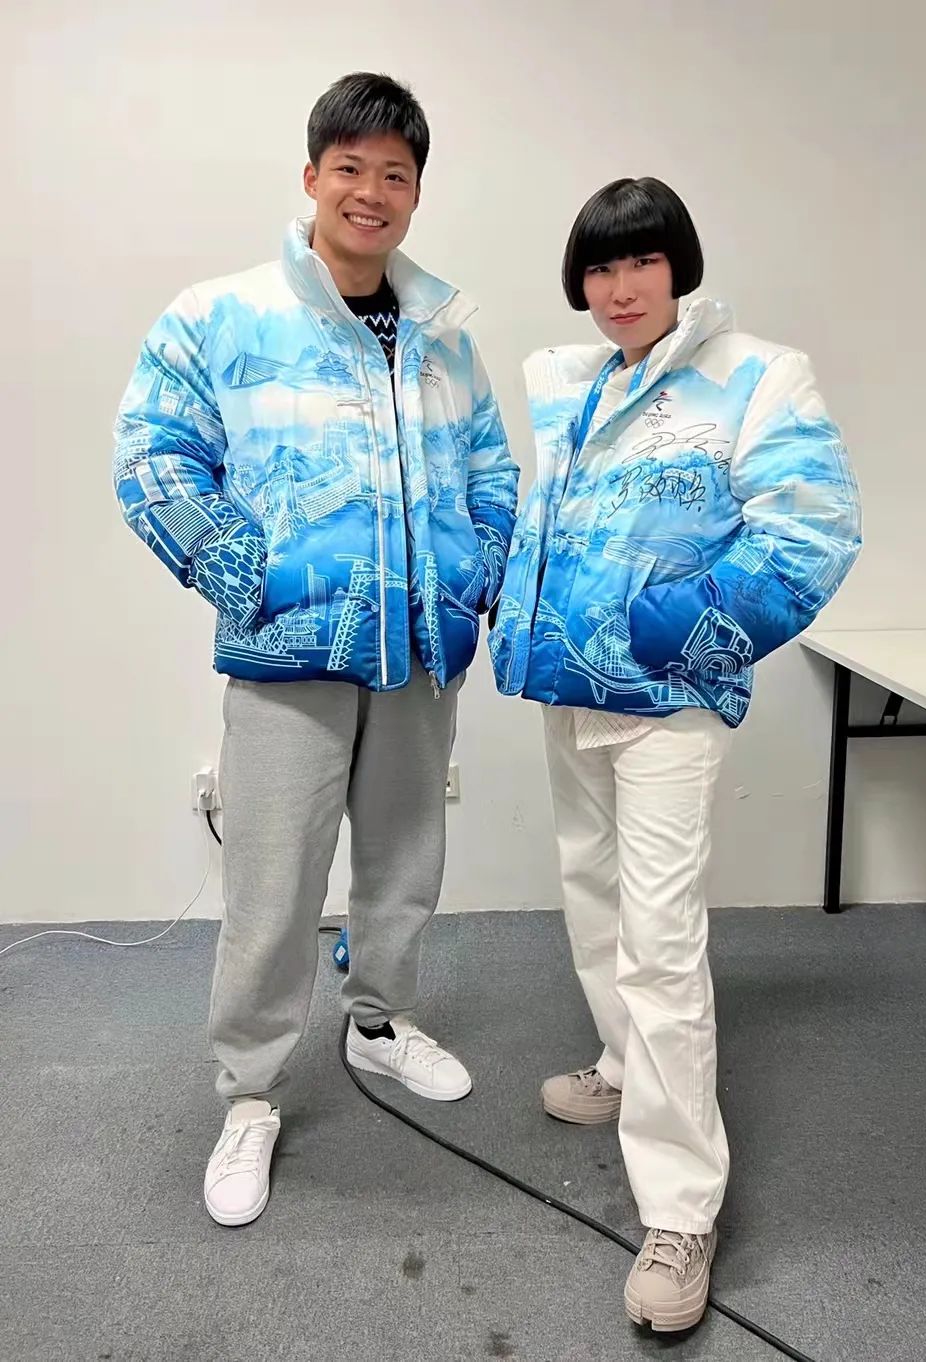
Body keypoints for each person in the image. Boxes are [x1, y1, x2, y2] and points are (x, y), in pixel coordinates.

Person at [113, 72, 519, 1228]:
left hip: (419, 654)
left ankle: (380, 1021)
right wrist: (250, 578)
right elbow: (151, 456)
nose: (370, 192)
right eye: (350, 168)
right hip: (287, 660)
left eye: (395, 174)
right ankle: (250, 1094)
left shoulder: (443, 337)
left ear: (415, 194)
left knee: (405, 862)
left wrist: (473, 578)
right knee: (272, 884)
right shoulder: (222, 316)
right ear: (310, 177)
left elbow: (491, 469)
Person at [490, 177, 860, 1331]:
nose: (619, 287)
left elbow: (812, 533)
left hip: (666, 701)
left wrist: (666, 632)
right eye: (599, 268)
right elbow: (549, 524)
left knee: (658, 942)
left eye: (640, 261)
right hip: (566, 687)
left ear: (677, 265)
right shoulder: (572, 384)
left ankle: (680, 1210)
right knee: (592, 899)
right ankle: (620, 1064)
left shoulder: (756, 375)